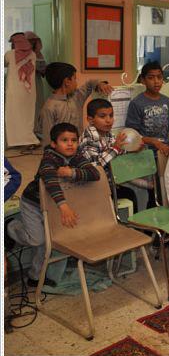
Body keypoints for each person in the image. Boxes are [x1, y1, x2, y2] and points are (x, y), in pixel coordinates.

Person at [7, 123, 100, 287]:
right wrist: (64, 206)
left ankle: (35, 277)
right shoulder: (49, 159)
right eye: (64, 140)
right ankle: (10, 227)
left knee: (47, 242)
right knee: (37, 240)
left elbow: (94, 174)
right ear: (54, 144)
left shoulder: (77, 156)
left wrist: (71, 172)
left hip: (53, 205)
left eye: (73, 140)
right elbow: (50, 182)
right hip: (33, 203)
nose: (70, 144)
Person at [78, 98, 141, 210]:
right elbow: (96, 167)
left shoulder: (108, 134)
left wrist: (131, 149)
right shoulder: (89, 138)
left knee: (131, 195)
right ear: (90, 120)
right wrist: (116, 148)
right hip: (93, 188)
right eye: (102, 116)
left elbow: (116, 152)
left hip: (109, 184)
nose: (108, 120)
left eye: (111, 116)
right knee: (128, 196)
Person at [36, 62, 113, 147]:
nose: (76, 83)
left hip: (80, 148)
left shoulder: (76, 97)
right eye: (75, 79)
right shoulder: (49, 108)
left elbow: (90, 84)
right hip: (62, 151)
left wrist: (100, 84)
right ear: (67, 82)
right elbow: (47, 138)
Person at [125, 61, 169, 157]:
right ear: (143, 80)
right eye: (151, 78)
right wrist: (154, 142)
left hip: (166, 151)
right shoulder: (136, 103)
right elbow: (132, 134)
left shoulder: (167, 101)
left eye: (159, 77)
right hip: (145, 154)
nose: (156, 81)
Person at [4, 33, 39, 147]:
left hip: (14, 92)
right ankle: (28, 140)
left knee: (13, 115)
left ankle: (15, 141)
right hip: (29, 92)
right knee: (27, 117)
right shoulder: (33, 54)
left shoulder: (10, 54)